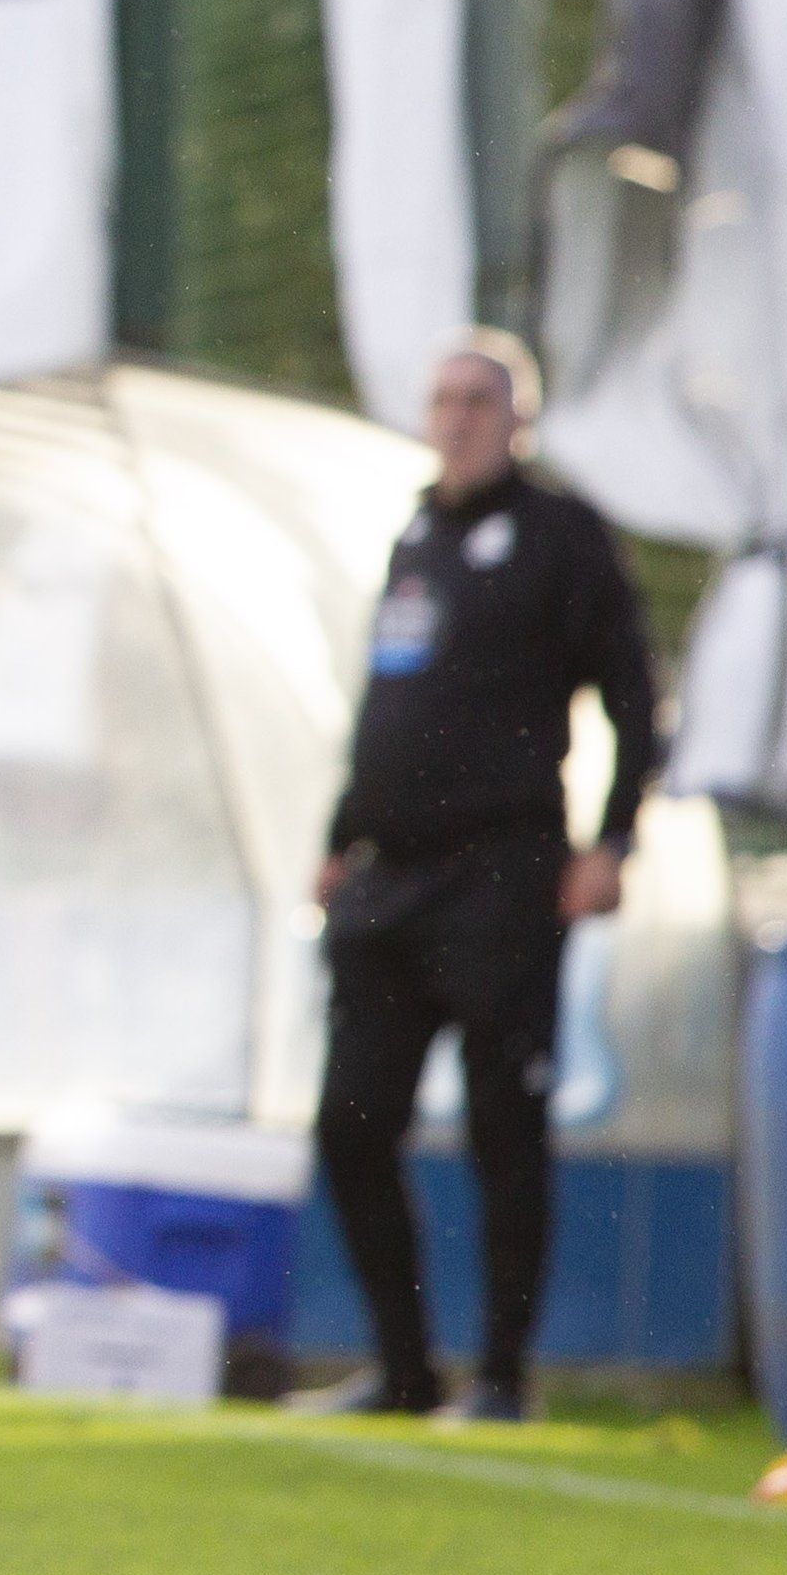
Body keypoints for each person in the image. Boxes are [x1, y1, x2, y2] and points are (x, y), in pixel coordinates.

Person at [291, 332, 659, 1426]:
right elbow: (389, 711)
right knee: (349, 1128)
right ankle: (404, 1370)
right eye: (441, 397)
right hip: (385, 882)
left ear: (517, 418)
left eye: (475, 399)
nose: (454, 417)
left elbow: (636, 697)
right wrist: (337, 834)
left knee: (505, 1129)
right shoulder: (413, 533)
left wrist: (613, 840)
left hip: (502, 878)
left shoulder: (561, 539)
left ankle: (501, 1376)